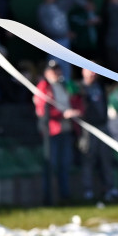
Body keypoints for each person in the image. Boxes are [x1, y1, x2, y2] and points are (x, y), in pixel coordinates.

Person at [34, 58, 82, 205]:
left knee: (65, 164)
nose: (55, 73)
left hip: (66, 130)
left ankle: (65, 196)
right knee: (51, 165)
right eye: (52, 70)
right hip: (52, 132)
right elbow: (42, 109)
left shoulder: (64, 85)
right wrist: (63, 114)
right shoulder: (43, 86)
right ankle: (48, 198)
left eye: (57, 70)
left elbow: (75, 100)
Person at [78, 67, 118, 203]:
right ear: (83, 71)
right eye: (90, 69)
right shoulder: (80, 88)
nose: (93, 73)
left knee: (106, 158)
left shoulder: (100, 86)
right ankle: (87, 190)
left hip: (103, 126)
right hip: (88, 128)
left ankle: (109, 188)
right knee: (89, 159)